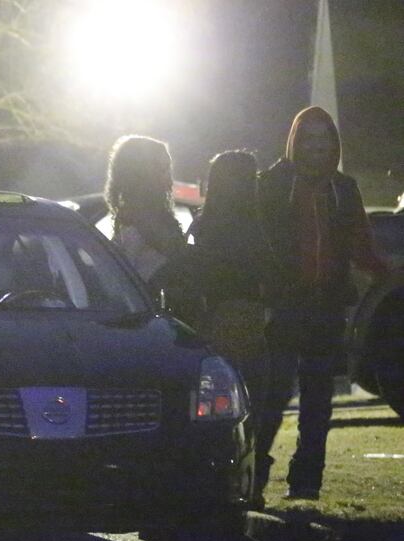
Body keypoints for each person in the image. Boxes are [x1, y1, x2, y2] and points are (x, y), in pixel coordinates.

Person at [254, 106, 392, 501]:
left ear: (334, 143)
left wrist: (387, 273)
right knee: (273, 394)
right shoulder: (273, 184)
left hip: (326, 306)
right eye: (309, 138)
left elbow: (362, 246)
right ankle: (254, 477)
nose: (317, 146)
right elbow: (258, 244)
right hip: (283, 306)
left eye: (323, 138)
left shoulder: (343, 188)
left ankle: (306, 483)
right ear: (296, 143)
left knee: (318, 401)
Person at [188, 149, 278, 490]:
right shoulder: (251, 226)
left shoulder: (205, 225)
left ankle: (217, 479)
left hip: (215, 317)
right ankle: (248, 482)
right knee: (254, 404)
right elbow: (268, 272)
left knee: (220, 409)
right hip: (245, 316)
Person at [105, 134, 196, 318]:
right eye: (163, 169)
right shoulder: (137, 223)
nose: (170, 179)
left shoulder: (145, 217)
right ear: (143, 173)